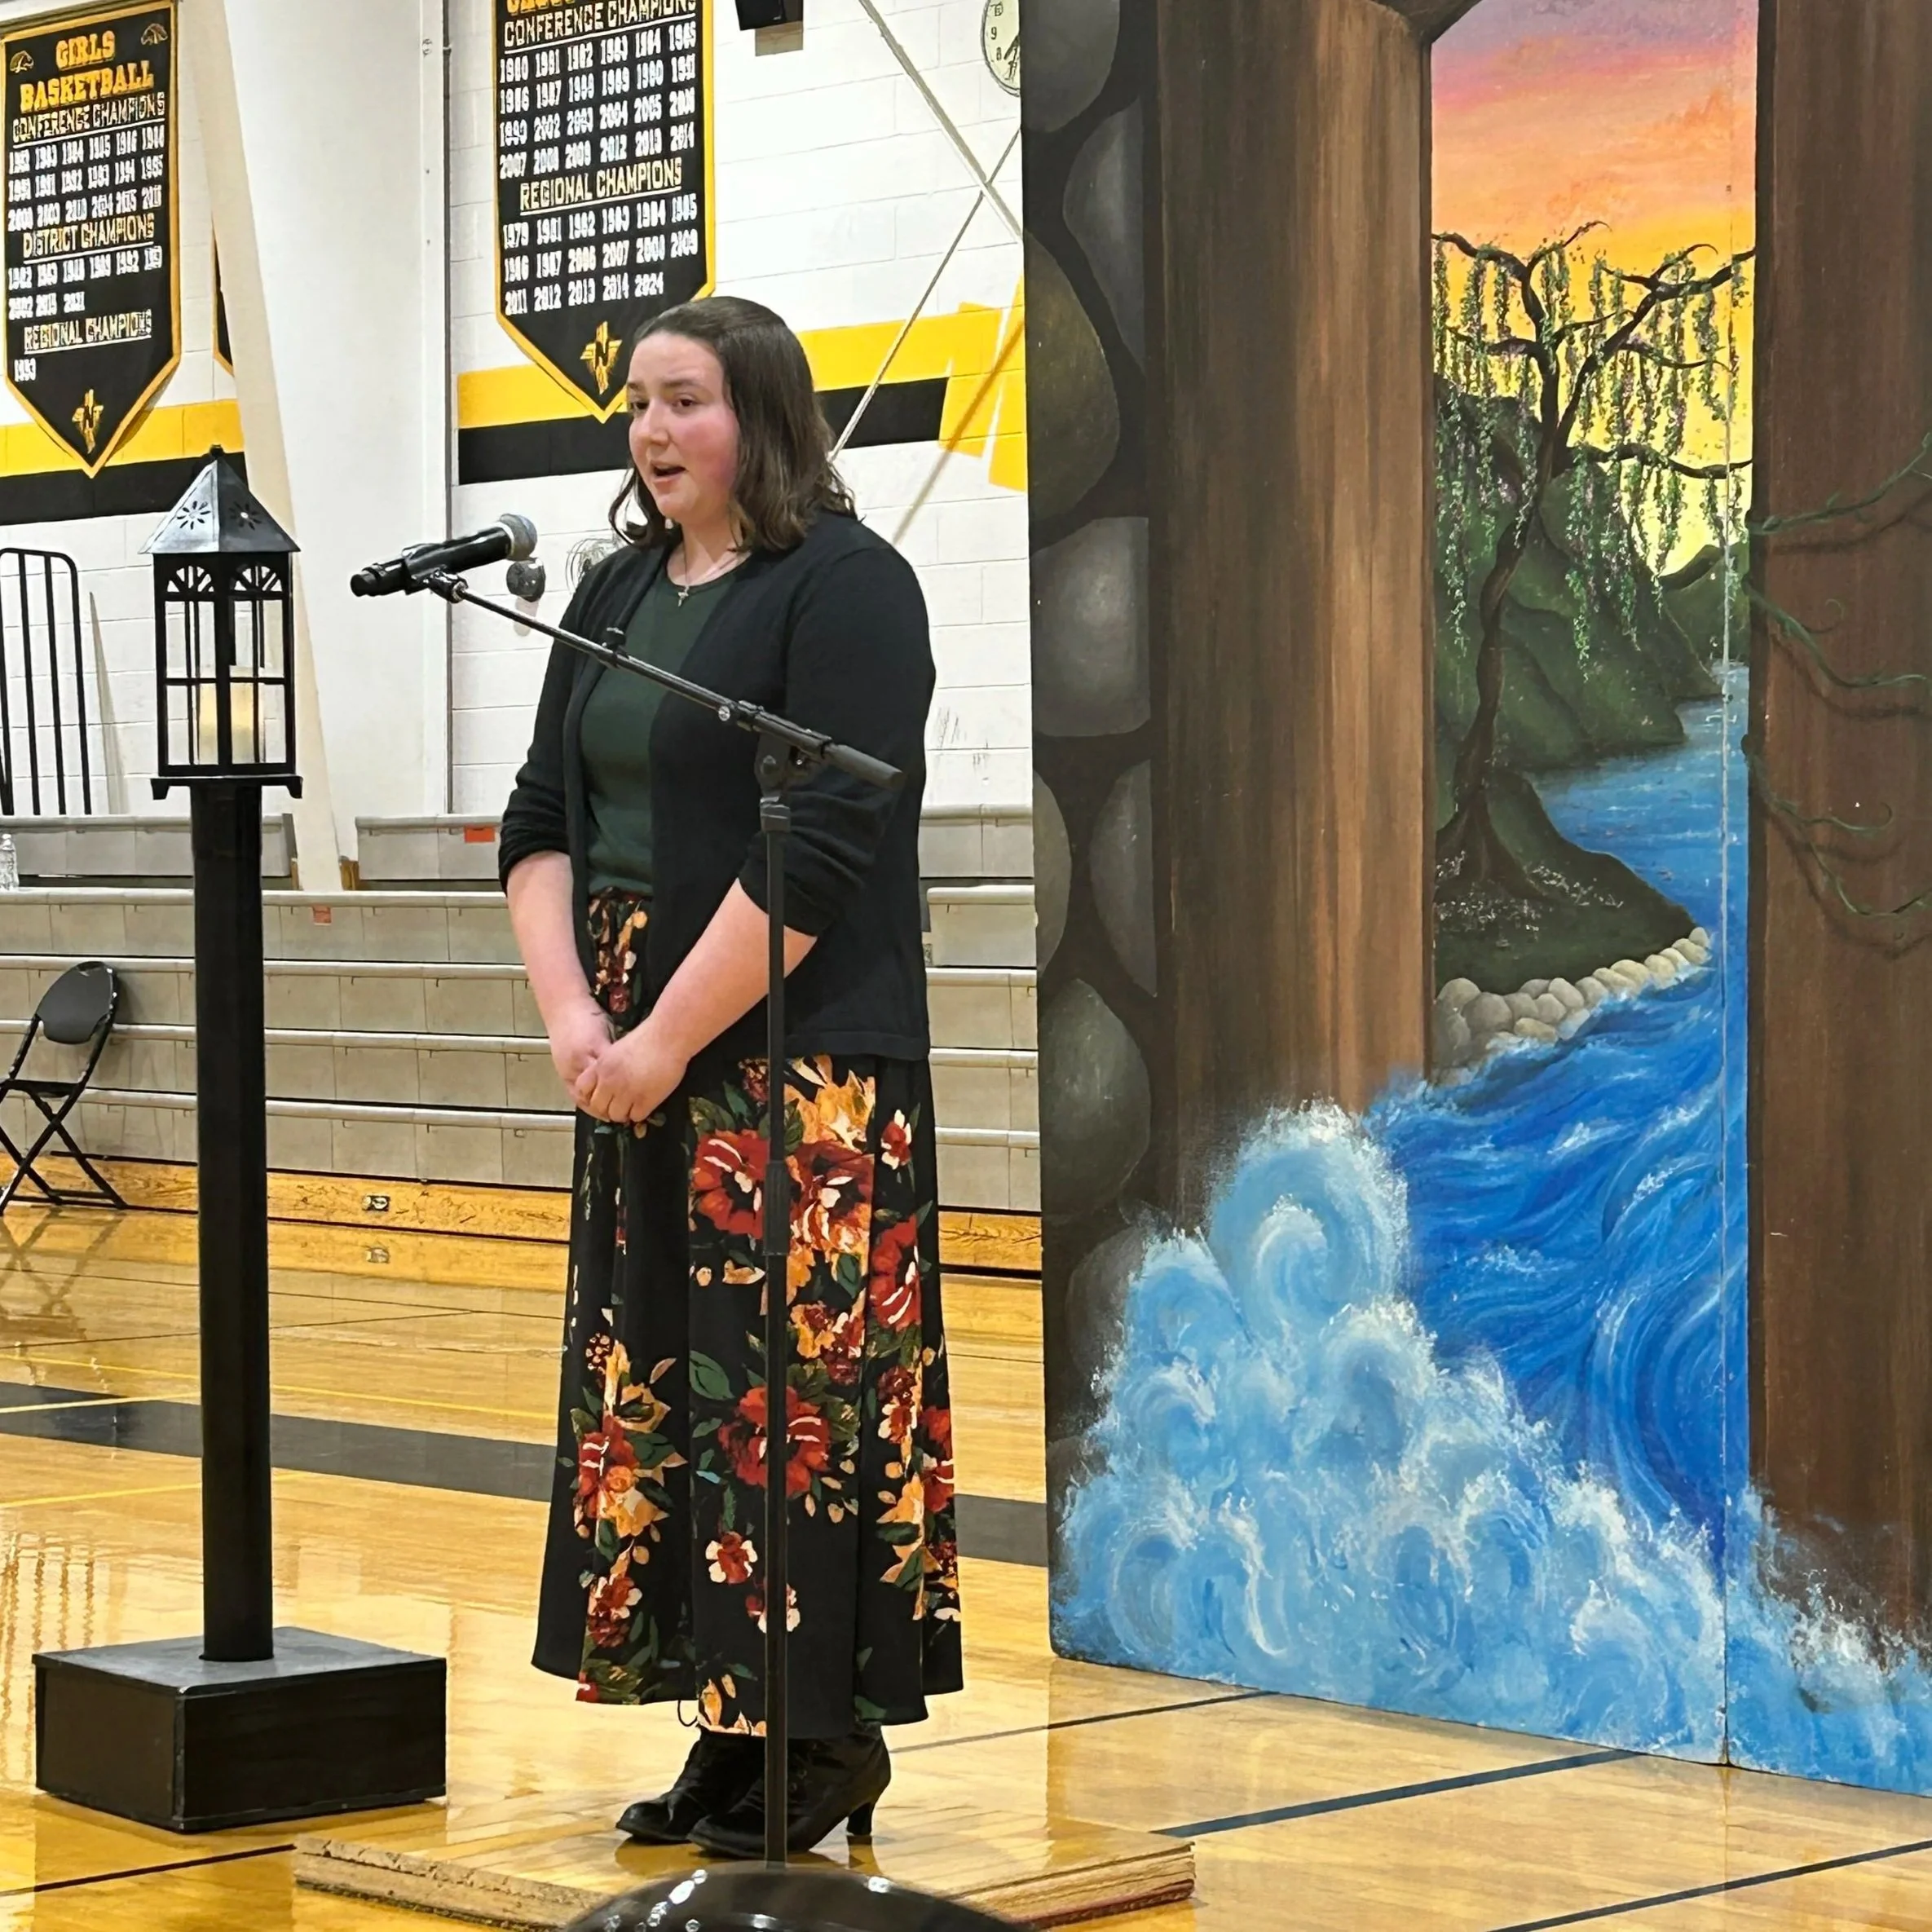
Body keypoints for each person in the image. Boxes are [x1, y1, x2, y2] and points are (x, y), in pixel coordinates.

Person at [499, 295, 960, 1858]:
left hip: (792, 1051)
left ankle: (820, 1731)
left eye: (684, 400)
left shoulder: (849, 585)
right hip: (635, 1041)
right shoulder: (614, 589)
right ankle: (728, 1714)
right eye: (637, 402)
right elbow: (539, 816)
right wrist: (577, 1018)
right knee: (672, 1377)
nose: (651, 431)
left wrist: (662, 1039)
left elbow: (822, 845)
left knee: (793, 1387)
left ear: (762, 417)